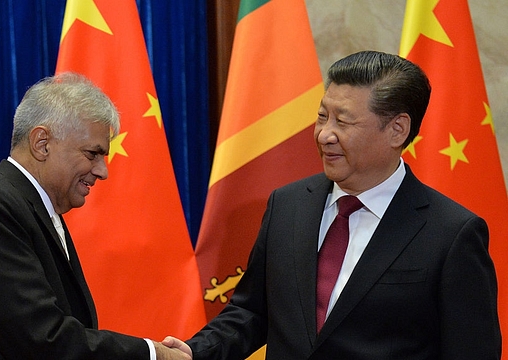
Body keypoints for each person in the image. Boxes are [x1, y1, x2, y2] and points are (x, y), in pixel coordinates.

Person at [163, 51, 502, 359]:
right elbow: (252, 313)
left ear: (397, 130)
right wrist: (193, 353)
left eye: (343, 121)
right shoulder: (288, 205)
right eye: (323, 116)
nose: (325, 134)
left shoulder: (452, 233)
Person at [0, 73, 190, 360]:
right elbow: (43, 339)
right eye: (92, 154)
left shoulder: (36, 208)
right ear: (42, 143)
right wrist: (152, 354)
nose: (103, 171)